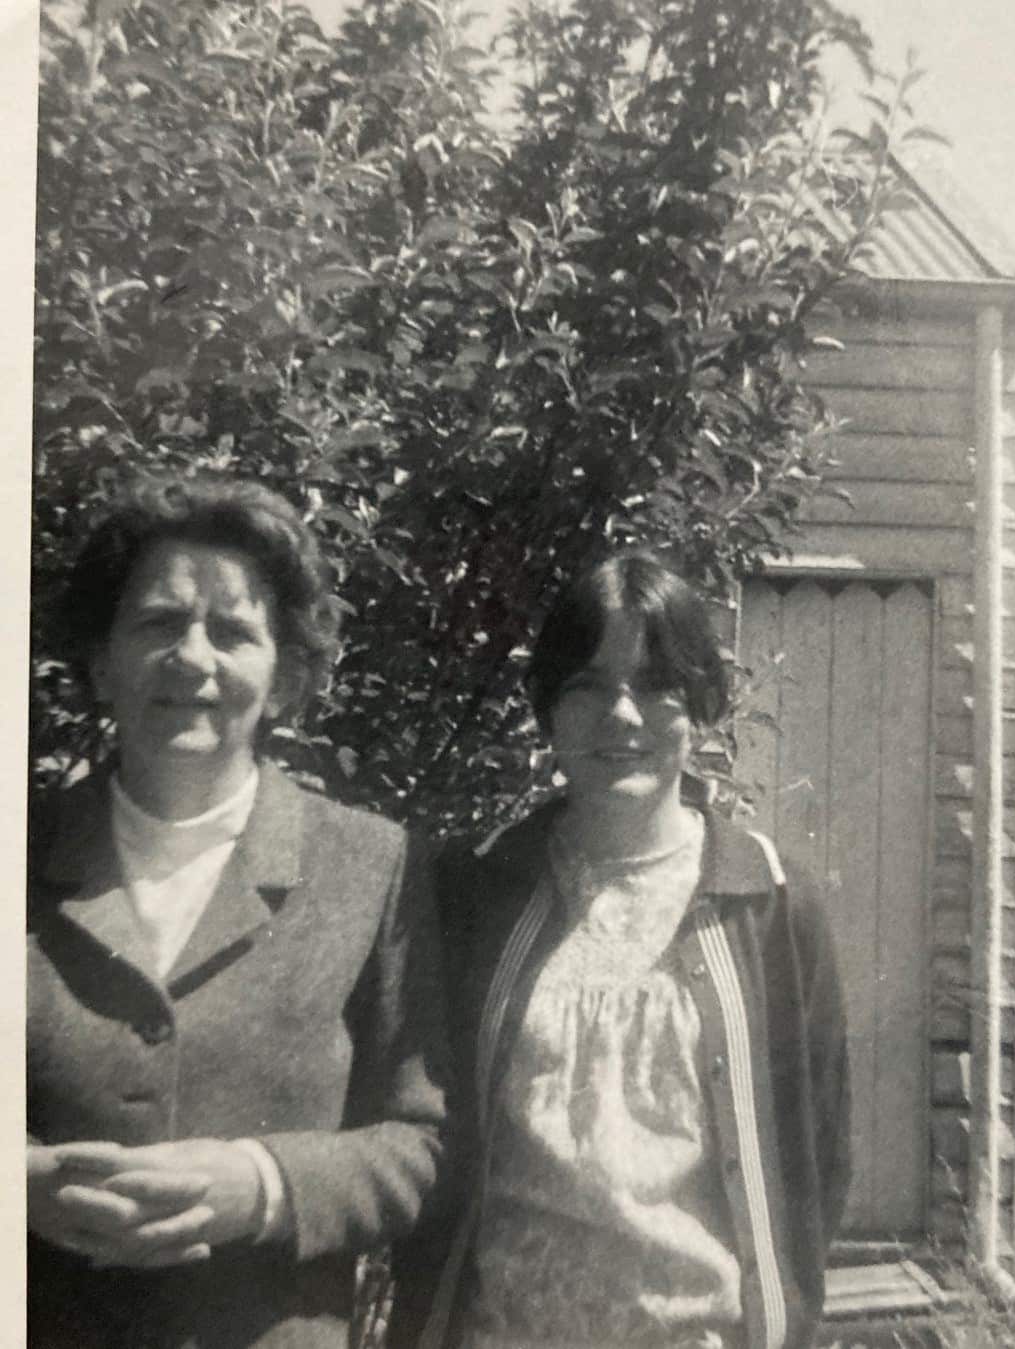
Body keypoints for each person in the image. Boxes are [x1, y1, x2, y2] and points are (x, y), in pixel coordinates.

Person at [27, 474, 448, 1349]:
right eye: (157, 622)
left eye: (232, 631)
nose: (193, 658)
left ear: (286, 677)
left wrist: (260, 1183)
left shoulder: (371, 865)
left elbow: (426, 1144)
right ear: (102, 662)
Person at [410, 553, 850, 1349]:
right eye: (587, 685)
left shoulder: (772, 903)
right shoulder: (475, 891)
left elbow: (814, 1162)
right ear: (547, 706)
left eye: (655, 684)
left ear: (701, 705)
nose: (621, 714)